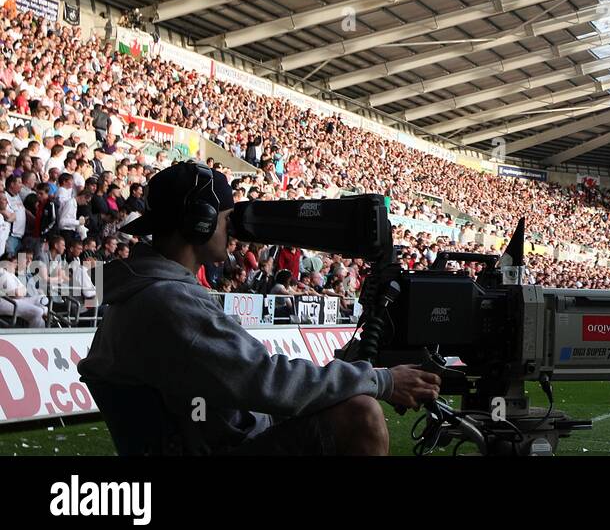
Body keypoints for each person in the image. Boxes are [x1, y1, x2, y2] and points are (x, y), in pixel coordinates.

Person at [79, 161, 441, 455]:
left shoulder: (153, 294)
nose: (233, 231)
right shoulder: (166, 302)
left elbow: (250, 385)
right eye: (226, 219)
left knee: (341, 396)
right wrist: (382, 380)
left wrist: (347, 374)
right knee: (360, 414)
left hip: (213, 437)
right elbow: (267, 381)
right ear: (199, 222)